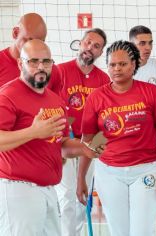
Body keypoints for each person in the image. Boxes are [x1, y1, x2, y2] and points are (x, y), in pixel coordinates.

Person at [77, 40, 156, 236]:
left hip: (147, 170)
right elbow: (88, 141)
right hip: (109, 173)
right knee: (119, 231)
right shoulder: (96, 97)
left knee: (142, 231)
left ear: (134, 64)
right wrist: (81, 178)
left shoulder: (152, 93)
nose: (117, 69)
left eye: (122, 64)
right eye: (112, 64)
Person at [0, 39, 95, 236]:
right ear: (20, 64)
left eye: (46, 61)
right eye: (33, 61)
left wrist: (86, 147)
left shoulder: (55, 101)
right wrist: (33, 132)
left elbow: (60, 145)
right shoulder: (8, 95)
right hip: (18, 190)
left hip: (49, 190)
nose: (41, 67)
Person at [54, 28, 110, 236]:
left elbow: (105, 117)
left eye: (96, 46)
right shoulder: (59, 72)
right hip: (64, 143)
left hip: (90, 143)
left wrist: (95, 142)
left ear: (100, 52)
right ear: (80, 43)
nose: (90, 48)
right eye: (87, 42)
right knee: (67, 194)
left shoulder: (104, 80)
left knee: (82, 195)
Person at [0, 12, 62, 93]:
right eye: (30, 40)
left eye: (41, 42)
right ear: (15, 33)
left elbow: (55, 104)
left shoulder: (51, 70)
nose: (35, 46)